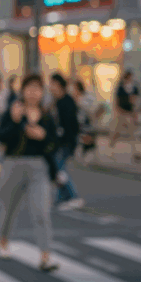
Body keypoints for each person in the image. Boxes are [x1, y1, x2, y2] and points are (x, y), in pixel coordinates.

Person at [0, 74, 64, 271]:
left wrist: (43, 136)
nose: (33, 93)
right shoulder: (14, 111)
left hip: (39, 167)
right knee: (9, 208)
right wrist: (16, 122)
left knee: (41, 211)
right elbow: (2, 136)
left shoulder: (47, 115)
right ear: (23, 91)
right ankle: (3, 241)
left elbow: (54, 143)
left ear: (42, 93)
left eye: (37, 89)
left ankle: (45, 256)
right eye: (29, 88)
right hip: (13, 164)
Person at [49, 74, 83, 210]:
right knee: (59, 170)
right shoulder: (57, 101)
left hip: (66, 142)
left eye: (52, 84)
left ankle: (73, 196)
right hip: (59, 142)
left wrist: (69, 141)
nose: (50, 87)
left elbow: (71, 125)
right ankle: (61, 198)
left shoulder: (67, 101)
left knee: (60, 170)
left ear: (59, 85)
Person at [111, 70, 140, 152]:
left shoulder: (134, 88)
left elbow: (135, 100)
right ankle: (112, 145)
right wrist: (117, 110)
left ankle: (135, 150)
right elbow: (117, 99)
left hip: (129, 112)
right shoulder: (121, 87)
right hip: (121, 111)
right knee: (117, 130)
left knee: (131, 131)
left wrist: (135, 112)